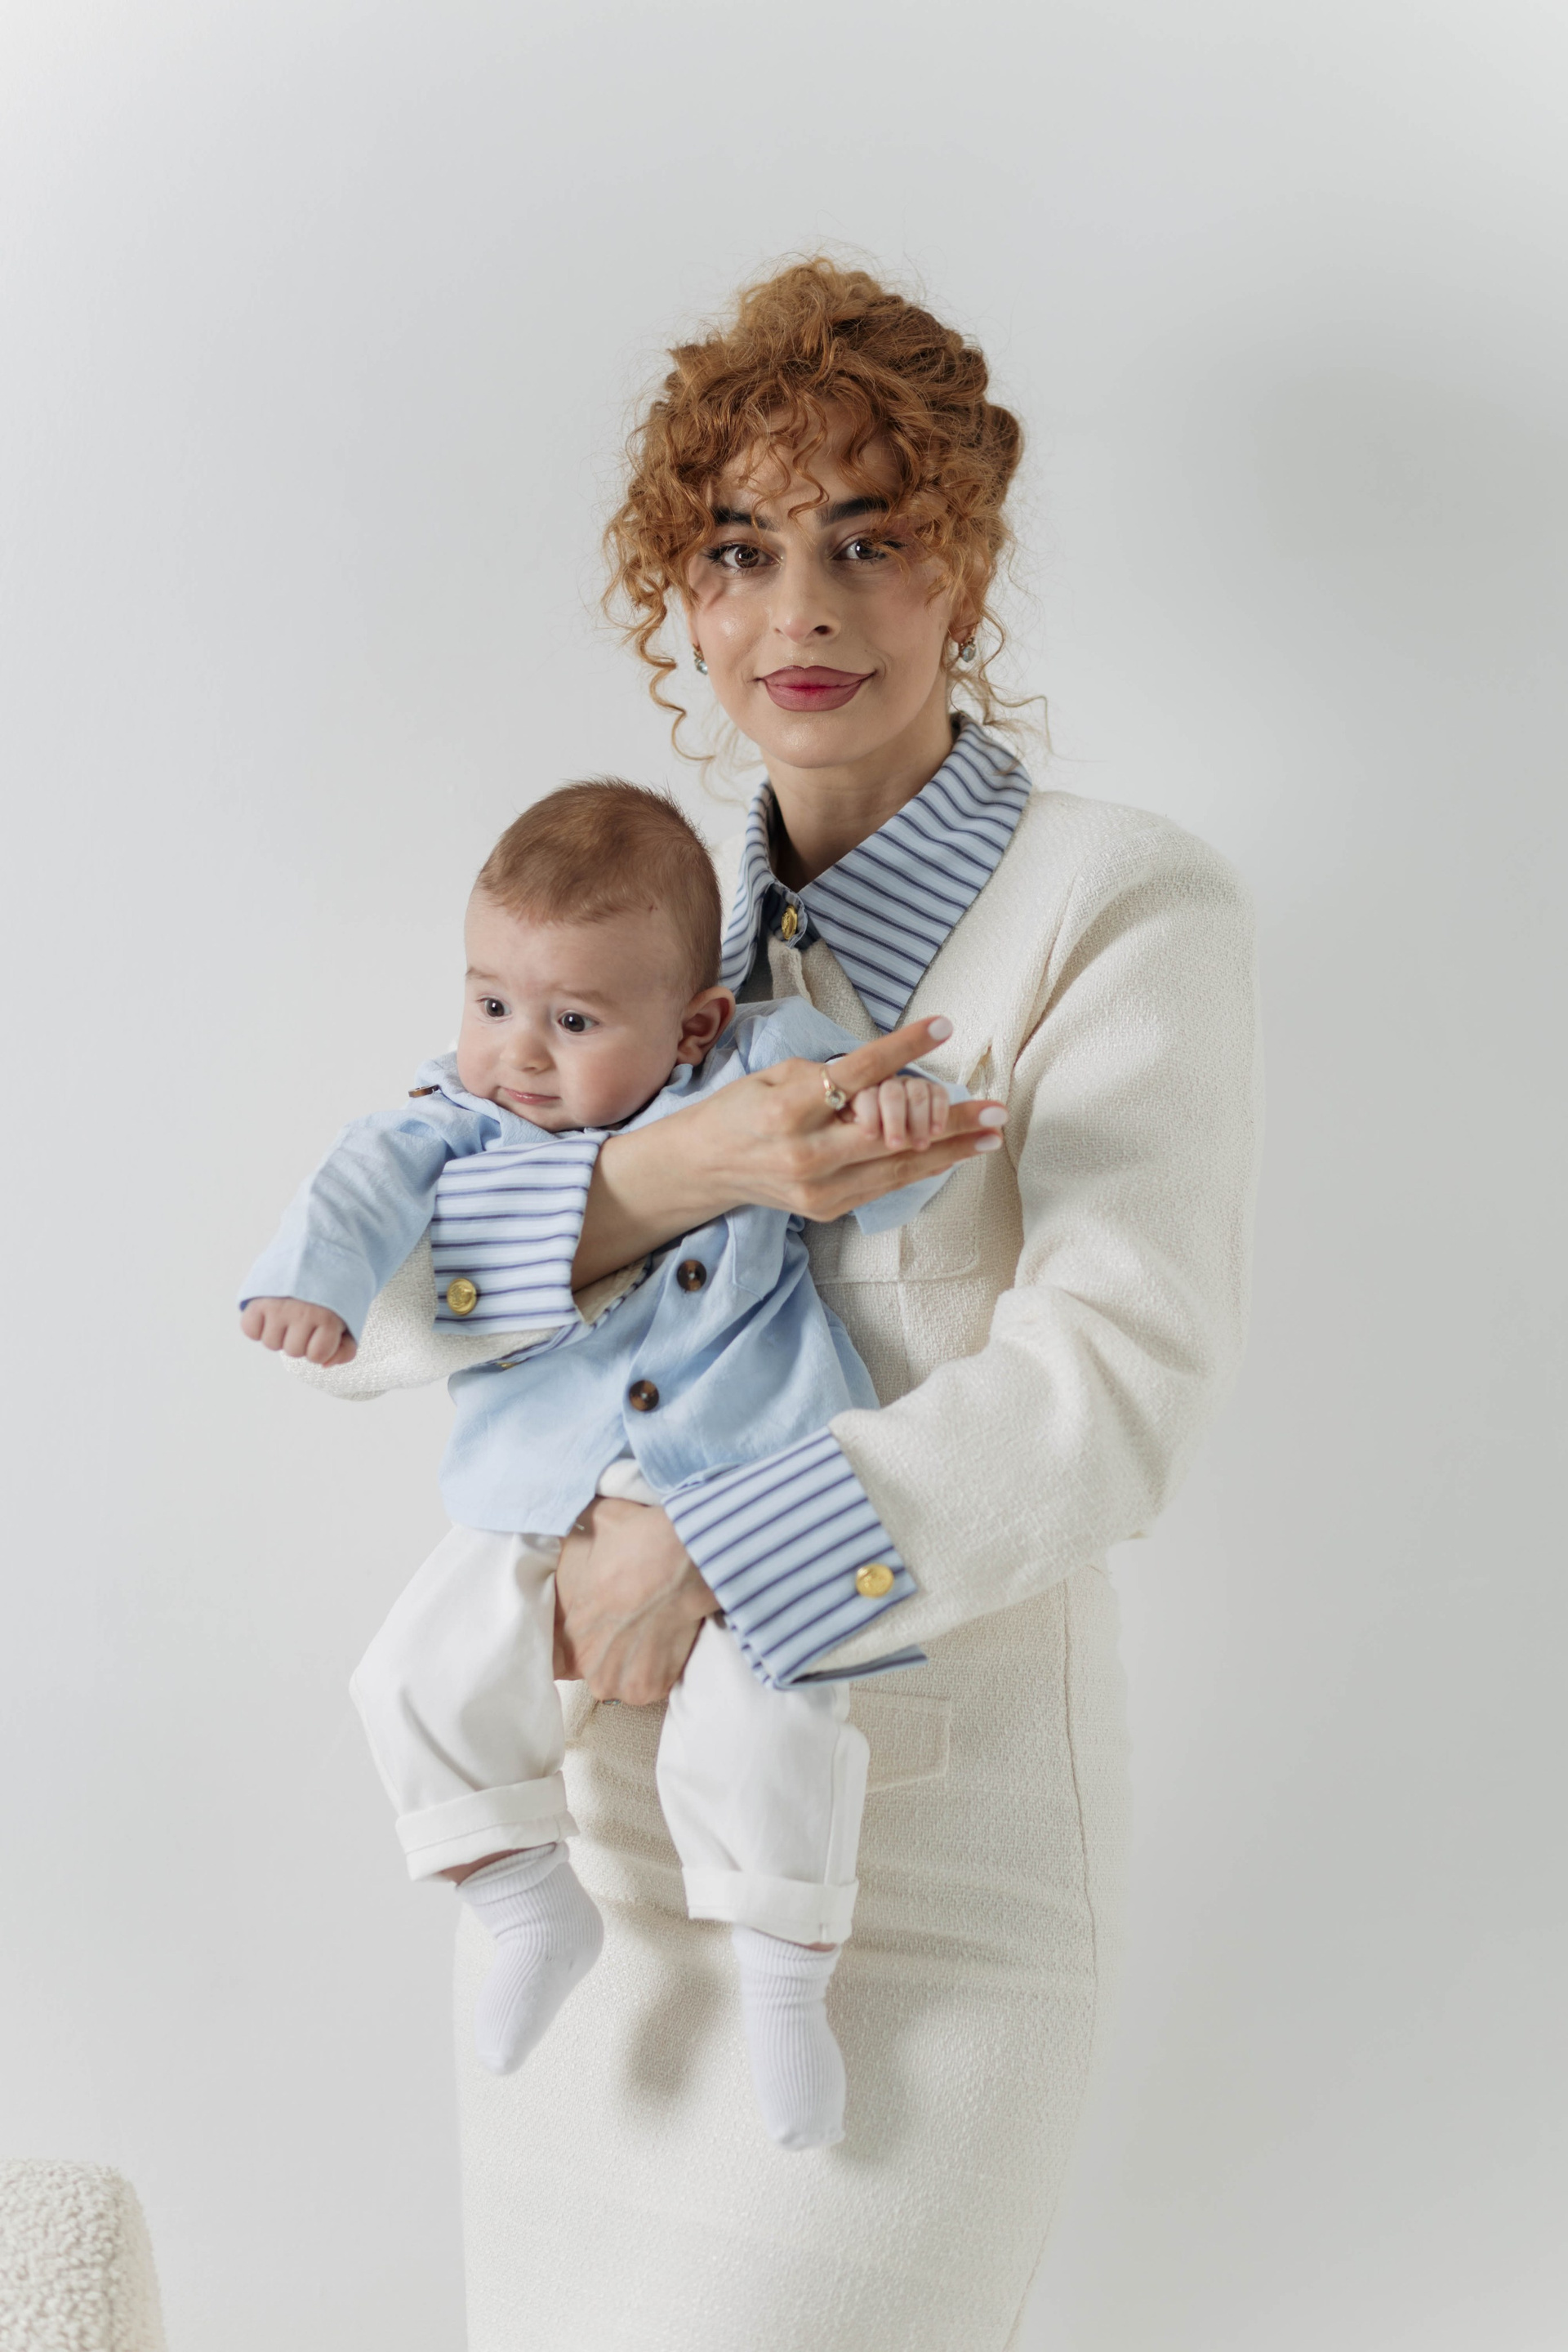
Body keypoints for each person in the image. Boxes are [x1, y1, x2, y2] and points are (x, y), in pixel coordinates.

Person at [457, 259, 1259, 2352]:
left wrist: (713, 1551)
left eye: (867, 540)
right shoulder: (636, 926)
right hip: (594, 1867)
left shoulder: (1117, 905)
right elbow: (406, 1305)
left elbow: (1118, 1386)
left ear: (963, 569)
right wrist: (683, 1166)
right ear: (683, 595)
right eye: (740, 550)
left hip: (924, 1890)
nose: (799, 610)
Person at [238, 779, 1000, 2151]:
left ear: (693, 1024)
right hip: (538, 1482)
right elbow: (361, 1186)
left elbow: (897, 1129)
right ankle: (525, 1898)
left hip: (751, 1465)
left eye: (573, 1022)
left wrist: (902, 1119)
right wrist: (314, 1286)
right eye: (490, 1003)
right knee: (409, 1672)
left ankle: (786, 1984)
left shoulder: (766, 1061)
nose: (516, 1054)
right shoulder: (456, 1113)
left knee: (774, 1723)